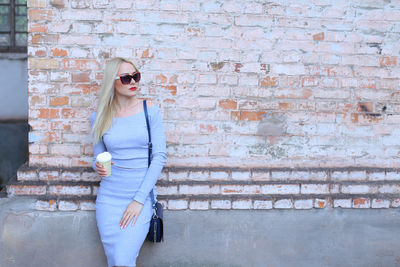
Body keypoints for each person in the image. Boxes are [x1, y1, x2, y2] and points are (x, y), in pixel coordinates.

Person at [90, 57, 166, 267]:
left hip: (139, 198)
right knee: (115, 261)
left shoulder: (149, 109)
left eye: (136, 76)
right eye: (126, 78)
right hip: (109, 199)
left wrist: (139, 200)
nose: (133, 81)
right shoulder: (99, 116)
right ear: (112, 82)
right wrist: (97, 166)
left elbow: (160, 157)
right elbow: (98, 157)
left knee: (123, 260)